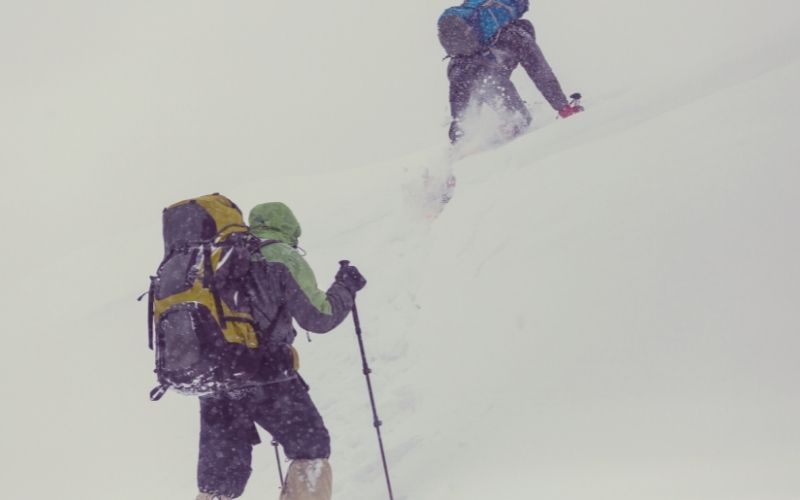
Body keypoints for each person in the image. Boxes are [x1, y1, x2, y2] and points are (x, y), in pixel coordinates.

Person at [196, 202, 367, 500]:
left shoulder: (216, 258)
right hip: (268, 375)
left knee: (221, 475)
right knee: (310, 449)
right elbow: (319, 317)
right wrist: (345, 288)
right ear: (290, 229)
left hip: (216, 381)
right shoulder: (280, 255)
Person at [447, 17, 582, 143]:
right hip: (485, 78)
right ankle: (502, 145)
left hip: (456, 70)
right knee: (520, 119)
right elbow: (542, 74)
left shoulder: (485, 38)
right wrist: (563, 107)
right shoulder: (520, 38)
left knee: (463, 122)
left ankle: (459, 149)